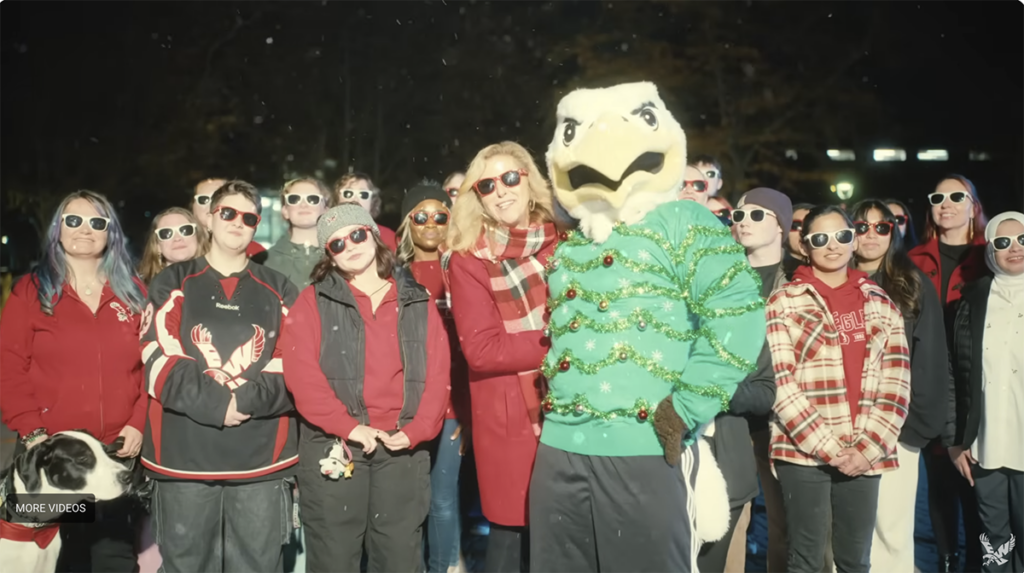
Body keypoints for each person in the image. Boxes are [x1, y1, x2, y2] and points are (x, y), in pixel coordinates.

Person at [281, 203, 450, 572]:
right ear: (329, 255)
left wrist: (417, 430)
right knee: (334, 559)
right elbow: (302, 376)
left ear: (373, 235)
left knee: (399, 559)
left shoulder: (416, 299)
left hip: (402, 447)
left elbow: (438, 374)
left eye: (356, 234)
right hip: (335, 446)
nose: (350, 246)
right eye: (337, 244)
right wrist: (349, 426)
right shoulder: (312, 301)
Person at [140, 180, 299, 573]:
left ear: (257, 224)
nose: (237, 222)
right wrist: (216, 404)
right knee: (188, 566)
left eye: (248, 217)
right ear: (209, 218)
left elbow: (294, 362)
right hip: (184, 456)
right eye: (227, 212)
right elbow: (158, 355)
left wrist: (242, 401)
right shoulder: (173, 281)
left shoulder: (280, 288)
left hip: (260, 458)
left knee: (258, 567)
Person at [0, 190, 147, 572]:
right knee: (56, 562)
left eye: (97, 222)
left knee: (114, 560)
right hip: (50, 463)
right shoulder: (29, 292)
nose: (85, 229)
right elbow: (9, 367)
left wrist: (137, 422)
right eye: (73, 220)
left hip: (114, 458)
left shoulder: (134, 294)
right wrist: (33, 435)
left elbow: (151, 368)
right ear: (57, 230)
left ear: (111, 233)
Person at [768, 205, 911, 573]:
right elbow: (781, 383)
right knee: (806, 558)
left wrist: (867, 449)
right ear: (805, 246)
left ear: (854, 241)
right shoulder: (783, 302)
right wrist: (829, 448)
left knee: (855, 560)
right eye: (821, 239)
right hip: (802, 452)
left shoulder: (882, 302)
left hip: (866, 449)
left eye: (842, 236)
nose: (833, 246)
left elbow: (896, 382)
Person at [442, 141, 561, 573]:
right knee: (512, 539)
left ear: (529, 180)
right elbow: (483, 350)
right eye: (487, 184)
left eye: (510, 177)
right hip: (513, 416)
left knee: (565, 537)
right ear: (478, 196)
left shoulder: (563, 242)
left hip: (572, 407)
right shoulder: (469, 259)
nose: (502, 191)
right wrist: (565, 342)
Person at [849, 199, 949, 572]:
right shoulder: (834, 280)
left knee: (891, 530)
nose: (871, 235)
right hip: (843, 427)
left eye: (881, 227)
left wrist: (913, 429)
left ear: (893, 232)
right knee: (845, 532)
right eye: (861, 227)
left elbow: (931, 358)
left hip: (897, 428)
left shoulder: (912, 283)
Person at [696, 188, 790, 573]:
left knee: (787, 528)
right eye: (738, 215)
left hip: (782, 422)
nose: (743, 222)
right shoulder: (721, 275)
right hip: (731, 421)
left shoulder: (798, 281)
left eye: (756, 214)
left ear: (780, 224)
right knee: (729, 528)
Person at [909, 175, 989, 573]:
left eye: (956, 196)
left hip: (977, 387)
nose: (946, 203)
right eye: (937, 196)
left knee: (977, 488)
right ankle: (944, 560)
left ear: (973, 204)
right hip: (928, 383)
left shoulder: (991, 254)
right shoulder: (914, 259)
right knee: (938, 484)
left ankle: (979, 561)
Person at [396, 183, 470, 573]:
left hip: (452, 409)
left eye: (440, 215)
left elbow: (468, 351)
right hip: (405, 404)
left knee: (442, 499)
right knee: (407, 499)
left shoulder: (463, 268)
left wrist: (467, 412)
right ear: (408, 223)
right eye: (419, 216)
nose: (430, 223)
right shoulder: (393, 274)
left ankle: (441, 568)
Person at [946, 211, 1024, 573]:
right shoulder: (968, 302)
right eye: (1003, 242)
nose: (1014, 249)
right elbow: (953, 376)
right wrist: (956, 440)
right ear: (990, 250)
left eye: (1022, 239)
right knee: (995, 548)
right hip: (985, 447)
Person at [264, 177, 330, 290]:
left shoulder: (340, 259)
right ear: (285, 211)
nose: (303, 205)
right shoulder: (266, 261)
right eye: (294, 199)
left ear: (325, 210)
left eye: (312, 199)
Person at [192, 177, 267, 261]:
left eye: (217, 198)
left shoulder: (256, 253)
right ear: (192, 205)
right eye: (203, 199)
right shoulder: (182, 250)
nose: (211, 204)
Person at [137, 206, 209, 284]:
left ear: (198, 238)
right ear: (157, 246)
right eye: (166, 233)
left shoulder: (218, 279)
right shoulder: (141, 289)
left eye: (185, 230)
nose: (177, 238)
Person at [333, 172, 398, 251]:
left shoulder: (389, 238)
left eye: (363, 194)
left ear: (372, 202)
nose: (355, 199)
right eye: (348, 193)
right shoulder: (328, 237)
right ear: (337, 200)